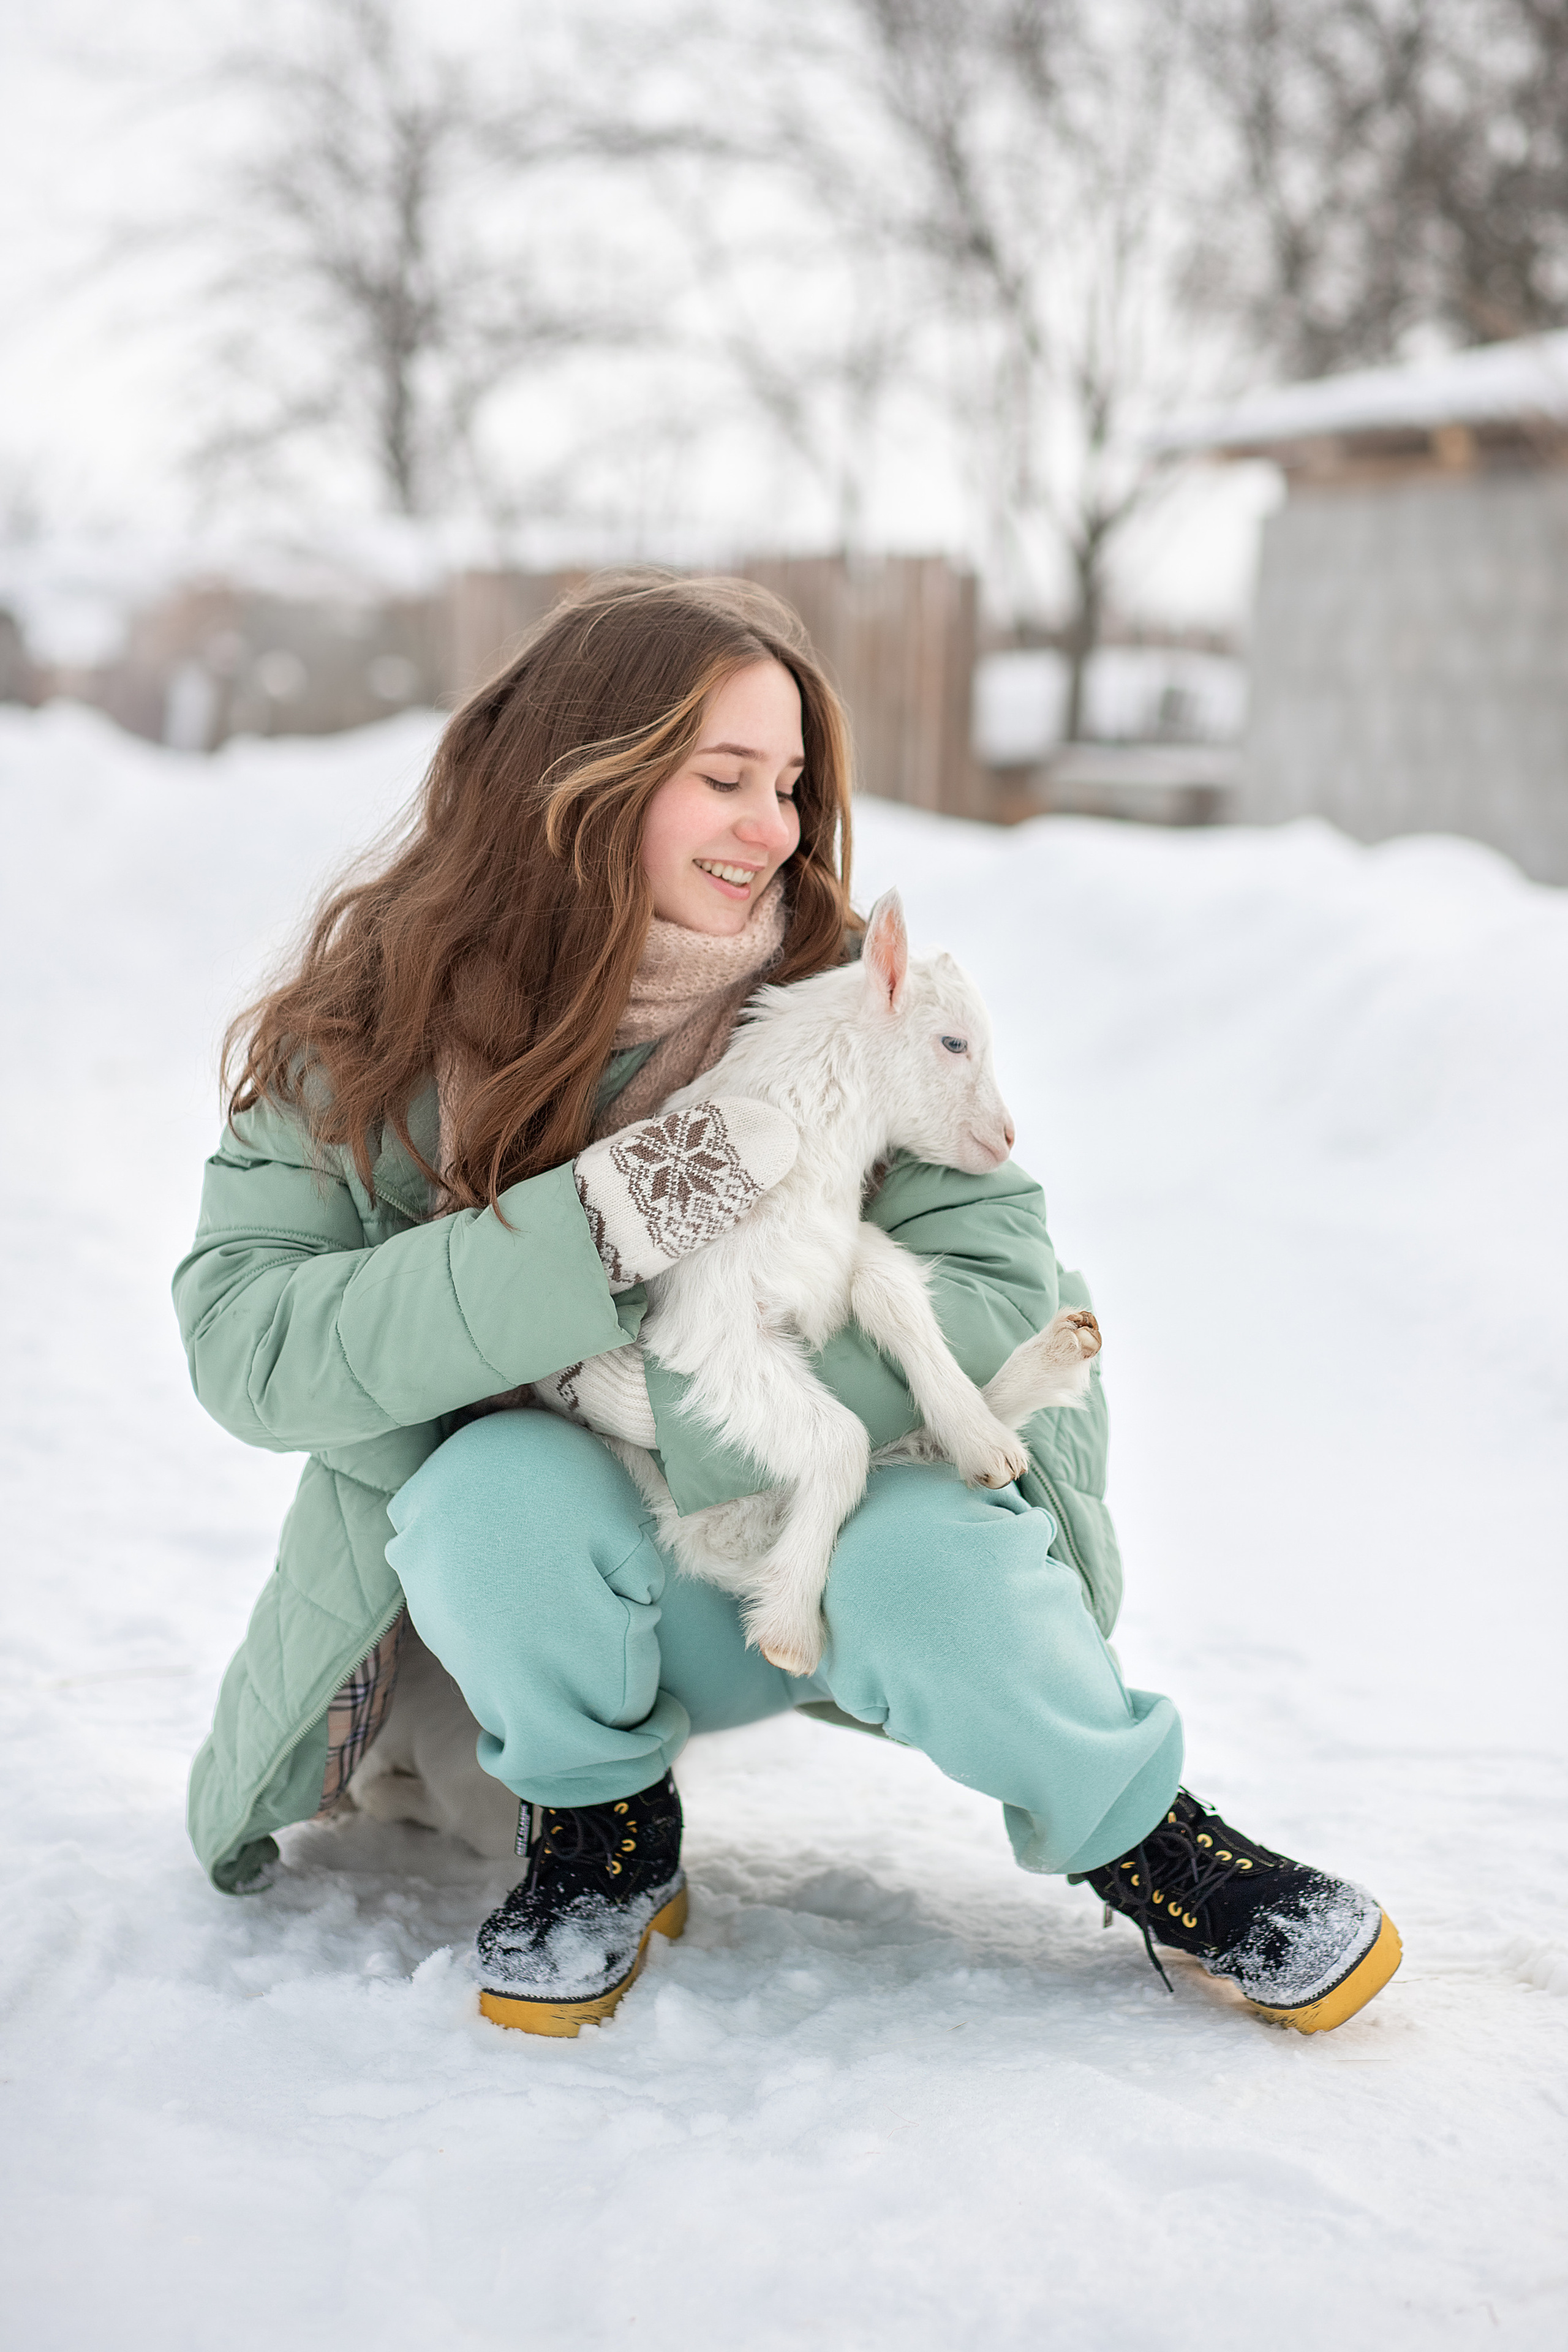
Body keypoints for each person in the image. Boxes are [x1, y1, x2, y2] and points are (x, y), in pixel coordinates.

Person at [175, 571, 1401, 2040]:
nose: (776, 831)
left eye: (791, 787)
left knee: (939, 1559)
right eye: (726, 781)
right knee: (484, 1495)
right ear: (578, 782)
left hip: (806, 1572)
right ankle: (594, 1827)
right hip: (571, 1581)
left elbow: (1000, 1281)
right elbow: (251, 1349)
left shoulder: (842, 999)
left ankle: (1141, 1831)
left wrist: (715, 1412)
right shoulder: (367, 1038)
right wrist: (600, 1230)